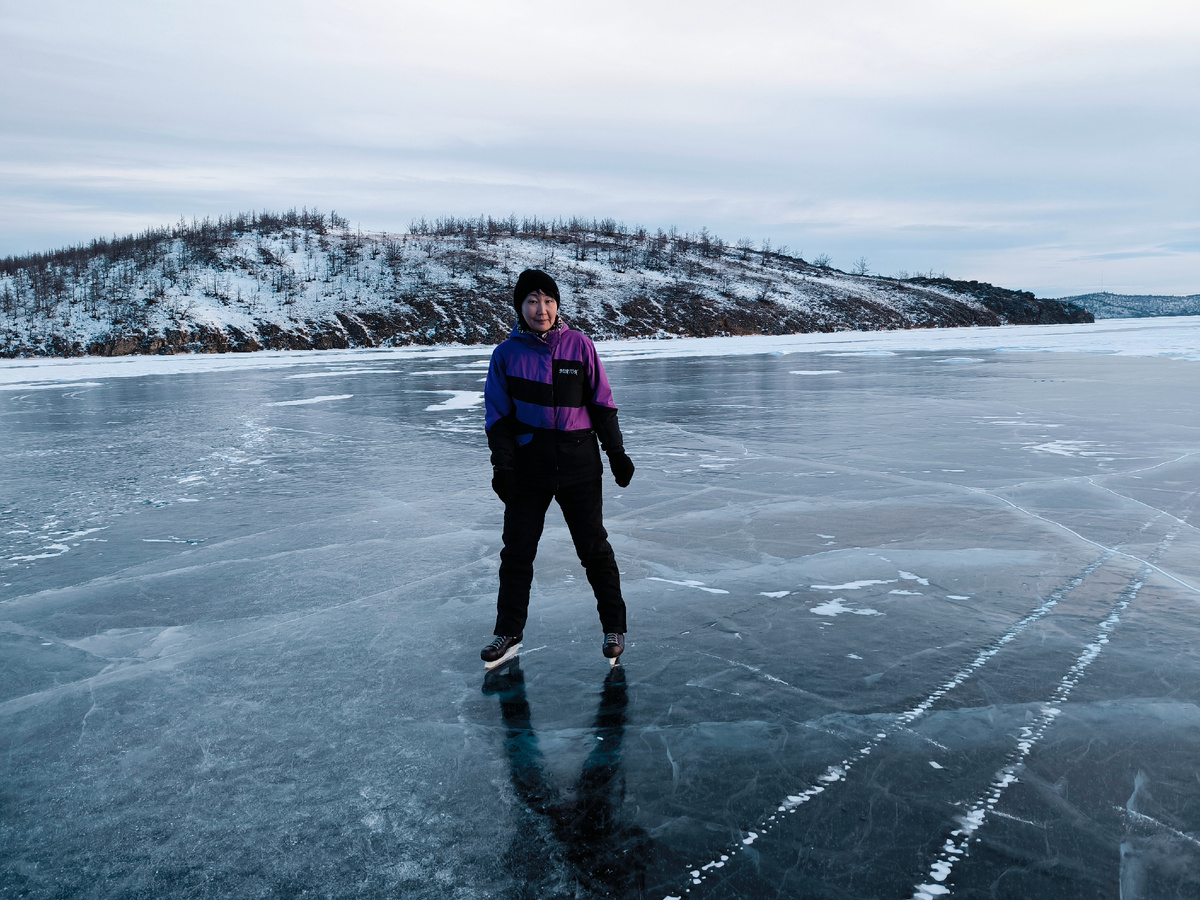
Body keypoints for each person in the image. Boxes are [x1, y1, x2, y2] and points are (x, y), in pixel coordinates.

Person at [482, 269, 635, 664]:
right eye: (532, 301)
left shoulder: (580, 346)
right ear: (520, 306)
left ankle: (614, 628)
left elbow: (602, 404)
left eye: (548, 301)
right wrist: (503, 467)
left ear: (557, 305)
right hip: (528, 466)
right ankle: (507, 632)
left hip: (579, 463)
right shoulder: (505, 355)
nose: (541, 309)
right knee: (517, 553)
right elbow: (498, 418)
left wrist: (615, 452)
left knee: (594, 549)